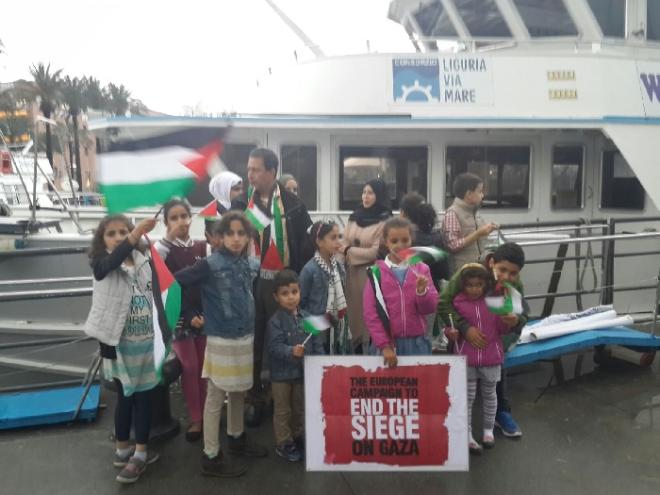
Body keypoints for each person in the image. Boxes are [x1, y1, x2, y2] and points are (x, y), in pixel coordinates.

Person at [175, 212, 267, 478]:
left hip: (245, 336)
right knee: (216, 395)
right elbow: (175, 281)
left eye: (241, 233)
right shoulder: (209, 265)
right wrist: (190, 312)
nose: (236, 238)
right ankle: (211, 455)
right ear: (220, 237)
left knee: (239, 389)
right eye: (230, 233)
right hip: (220, 338)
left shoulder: (250, 263)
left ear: (248, 237)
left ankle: (237, 438)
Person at [231, 148, 312, 425]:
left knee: (286, 340)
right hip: (252, 283)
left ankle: (284, 397)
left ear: (271, 171)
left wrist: (299, 281)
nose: (249, 175)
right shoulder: (241, 204)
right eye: (248, 169)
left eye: (255, 169)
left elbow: (307, 243)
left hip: (284, 283)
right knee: (254, 342)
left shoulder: (293, 204)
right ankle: (254, 397)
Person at [84, 215, 159, 484]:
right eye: (111, 233)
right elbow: (107, 265)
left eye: (123, 232)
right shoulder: (102, 263)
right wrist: (134, 234)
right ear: (101, 240)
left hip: (145, 342)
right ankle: (126, 450)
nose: (118, 237)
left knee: (143, 397)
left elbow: (155, 293)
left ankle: (137, 451)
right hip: (117, 344)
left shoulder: (142, 260)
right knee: (126, 398)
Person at [437, 242, 528, 438]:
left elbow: (523, 313)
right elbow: (443, 302)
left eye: (513, 273)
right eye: (502, 270)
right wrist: (464, 328)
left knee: (497, 372)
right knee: (462, 382)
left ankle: (501, 412)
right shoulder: (468, 272)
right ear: (492, 262)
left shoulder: (515, 284)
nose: (506, 277)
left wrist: (516, 321)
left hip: (496, 338)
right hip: (465, 336)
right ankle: (455, 416)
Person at [446, 263, 515, 454]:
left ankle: (488, 431)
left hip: (491, 358)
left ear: (485, 285)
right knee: (467, 398)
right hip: (466, 359)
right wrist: (450, 333)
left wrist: (508, 321)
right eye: (470, 285)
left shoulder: (495, 301)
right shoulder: (457, 303)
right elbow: (450, 327)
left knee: (490, 394)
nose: (474, 289)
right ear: (463, 285)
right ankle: (467, 434)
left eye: (478, 285)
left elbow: (503, 329)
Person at [155, 199, 207, 442]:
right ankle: (196, 418)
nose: (180, 222)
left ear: (191, 218)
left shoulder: (202, 246)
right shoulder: (163, 249)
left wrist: (203, 314)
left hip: (203, 316)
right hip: (179, 318)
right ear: (166, 223)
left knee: (204, 368)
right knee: (190, 367)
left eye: (184, 216)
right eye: (173, 218)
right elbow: (160, 277)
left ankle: (207, 414)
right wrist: (187, 315)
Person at [363, 217, 438, 368]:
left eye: (405, 240)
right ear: (386, 242)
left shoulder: (422, 269)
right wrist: (384, 346)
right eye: (394, 241)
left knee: (418, 383)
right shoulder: (376, 273)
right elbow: (371, 314)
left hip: (417, 345)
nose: (400, 245)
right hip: (387, 347)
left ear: (411, 239)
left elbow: (429, 308)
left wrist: (422, 292)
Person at [266, 269, 324, 462]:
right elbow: (274, 348)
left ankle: (298, 436)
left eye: (294, 292)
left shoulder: (307, 318)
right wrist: (291, 351)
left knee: (299, 408)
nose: (291, 297)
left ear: (300, 291)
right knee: (283, 410)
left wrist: (320, 361)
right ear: (276, 297)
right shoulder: (275, 322)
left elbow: (316, 342)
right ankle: (284, 442)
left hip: (301, 373)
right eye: (285, 293)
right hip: (281, 376)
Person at [341, 179, 392, 353]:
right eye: (364, 192)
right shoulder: (354, 217)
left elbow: (376, 252)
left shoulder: (385, 220)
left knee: (369, 315)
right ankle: (356, 352)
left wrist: (349, 251)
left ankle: (371, 352)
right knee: (354, 316)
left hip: (371, 275)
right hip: (352, 275)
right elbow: (343, 242)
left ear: (379, 195)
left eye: (370, 193)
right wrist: (347, 251)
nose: (365, 196)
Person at [299, 221, 351, 355]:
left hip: (337, 331)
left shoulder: (339, 267)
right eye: (333, 238)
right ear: (319, 242)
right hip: (316, 334)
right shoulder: (309, 270)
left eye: (339, 237)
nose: (338, 242)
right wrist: (315, 324)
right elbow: (300, 306)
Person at [442, 172, 497, 275]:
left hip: (478, 268)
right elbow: (452, 245)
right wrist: (478, 233)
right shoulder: (452, 213)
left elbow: (477, 237)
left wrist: (487, 230)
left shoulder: (474, 211)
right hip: (462, 272)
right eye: (480, 191)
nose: (482, 195)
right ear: (469, 194)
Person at [399, 192, 450, 288]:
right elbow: (444, 273)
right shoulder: (437, 238)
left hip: (407, 290)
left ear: (403, 214)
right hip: (432, 288)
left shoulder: (402, 239)